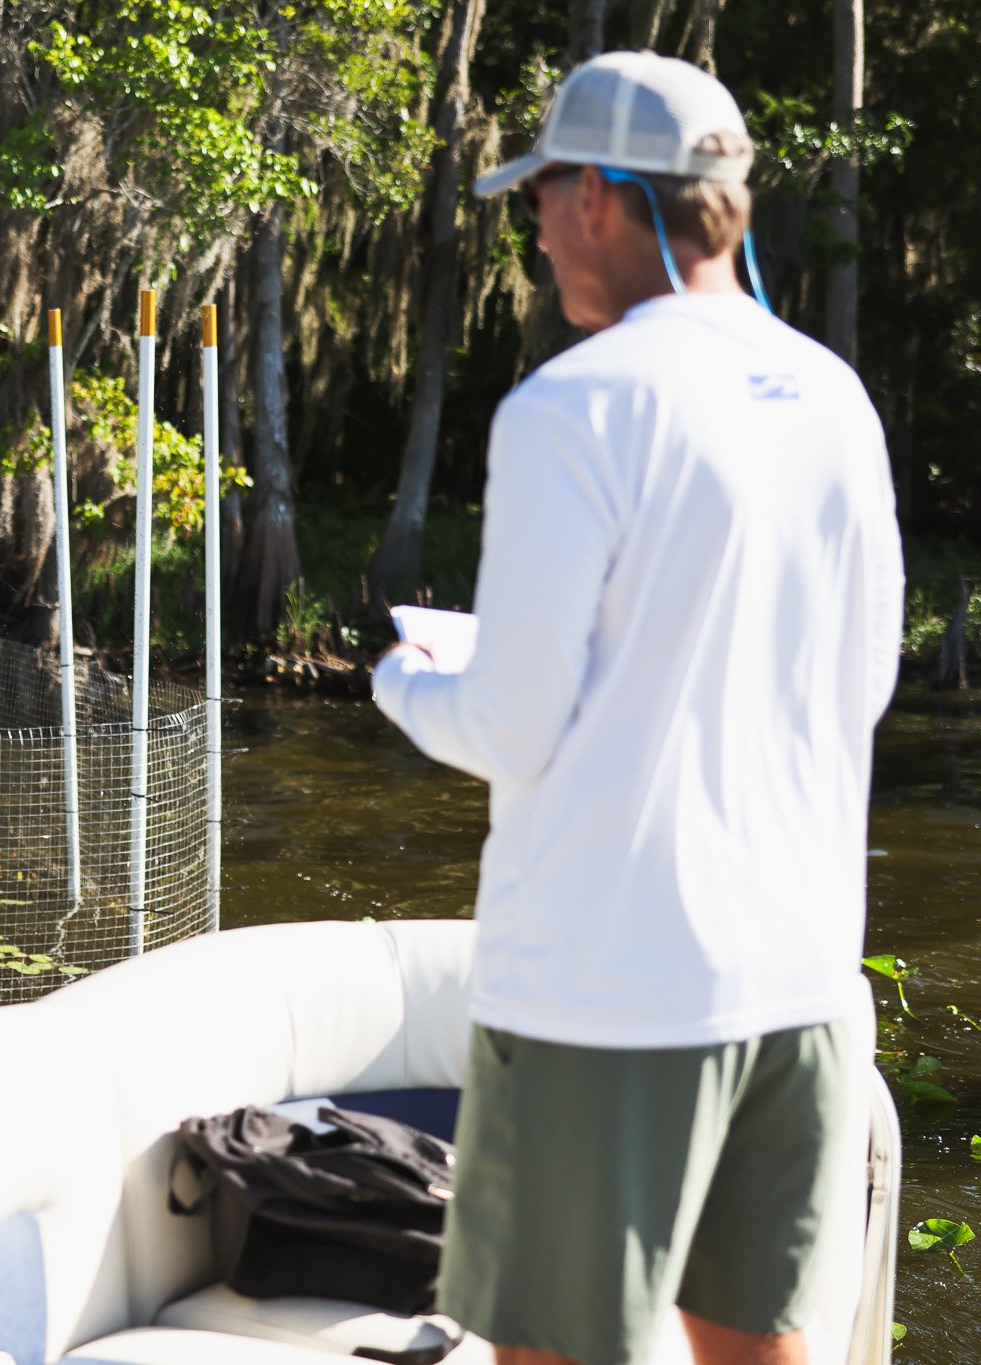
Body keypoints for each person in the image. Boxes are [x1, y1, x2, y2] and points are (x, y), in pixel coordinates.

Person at [371, 52, 904, 1365]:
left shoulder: (575, 407)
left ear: (605, 196)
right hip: (797, 984)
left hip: (603, 998)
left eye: (543, 194)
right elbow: (865, 682)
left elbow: (508, 723)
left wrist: (403, 683)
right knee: (761, 1350)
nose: (536, 226)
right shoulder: (835, 401)